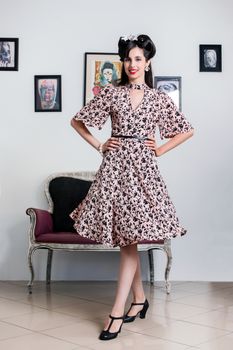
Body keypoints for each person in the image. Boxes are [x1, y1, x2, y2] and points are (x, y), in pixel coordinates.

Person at [70, 33, 194, 341]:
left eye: (138, 59)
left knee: (129, 241)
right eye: (128, 59)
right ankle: (136, 300)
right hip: (115, 170)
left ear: (147, 62)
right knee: (128, 240)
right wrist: (100, 144)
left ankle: (118, 311)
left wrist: (161, 149)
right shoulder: (112, 93)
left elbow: (186, 130)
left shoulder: (157, 98)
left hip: (143, 172)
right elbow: (78, 121)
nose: (132, 64)